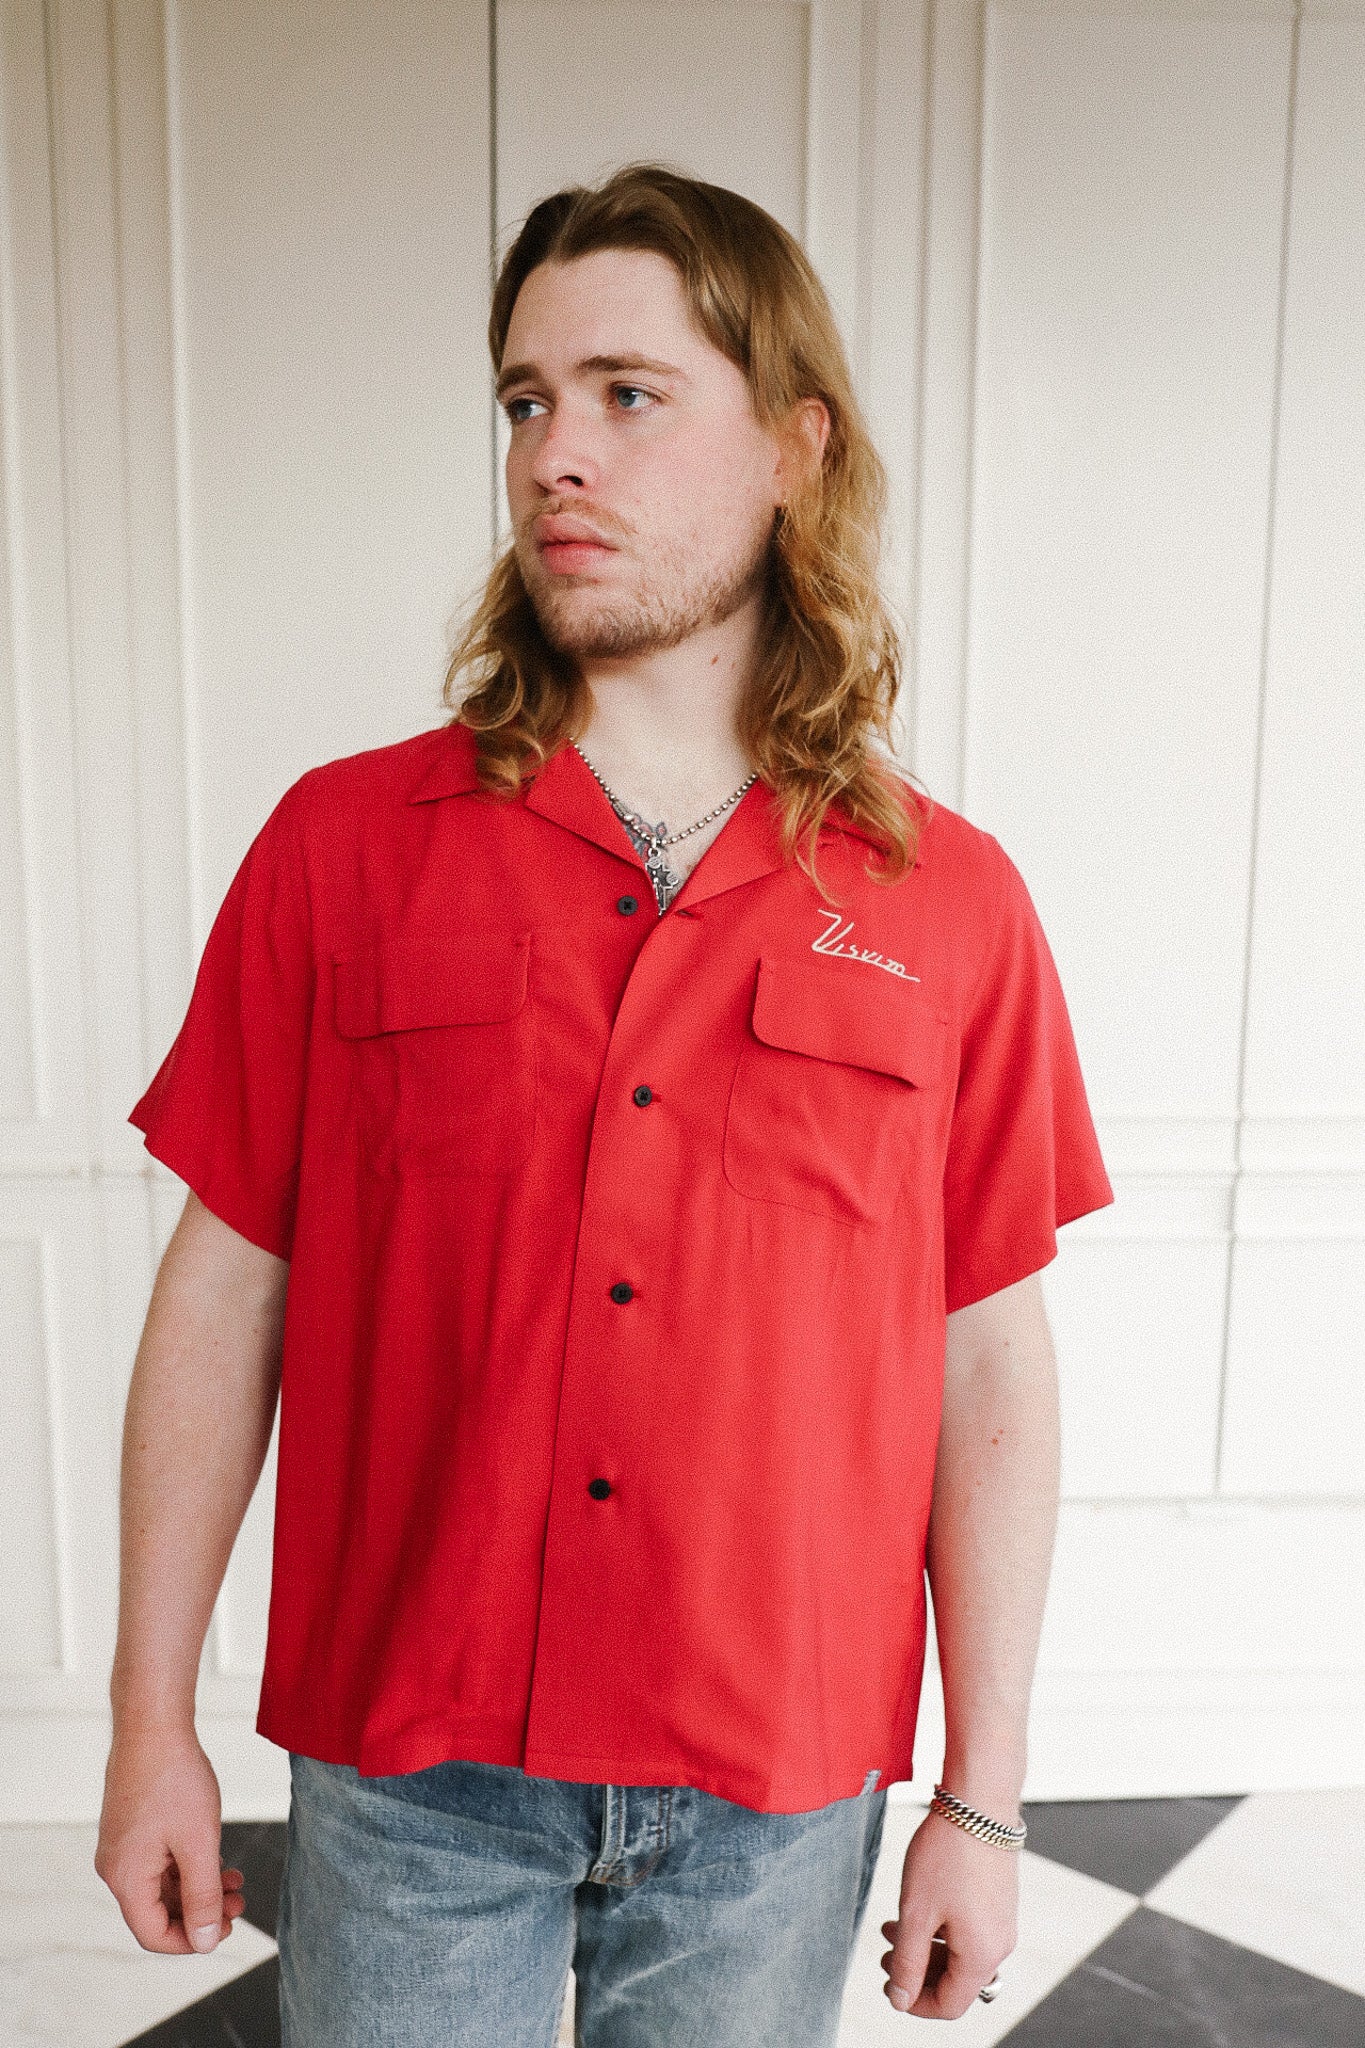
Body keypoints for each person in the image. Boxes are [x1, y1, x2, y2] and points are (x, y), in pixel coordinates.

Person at [95, 163, 1113, 2043]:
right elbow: (225, 1292)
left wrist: (981, 1796)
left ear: (793, 446)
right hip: (413, 1772)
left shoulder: (948, 899)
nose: (558, 451)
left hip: (773, 1789)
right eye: (526, 400)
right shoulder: (341, 851)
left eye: (629, 396)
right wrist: (148, 1720)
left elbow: (988, 1359)